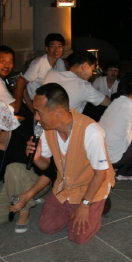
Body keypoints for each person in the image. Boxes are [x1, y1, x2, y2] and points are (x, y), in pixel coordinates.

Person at [27, 83, 115, 244]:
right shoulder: (45, 128)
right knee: (46, 226)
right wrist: (36, 157)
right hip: (65, 185)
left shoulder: (91, 131)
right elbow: (45, 165)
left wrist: (85, 205)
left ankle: (99, 203)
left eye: (39, 112)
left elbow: (100, 173)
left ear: (58, 112)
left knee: (78, 237)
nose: (36, 118)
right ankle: (74, 206)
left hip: (92, 185)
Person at [0, 98, 55, 233]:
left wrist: (28, 194)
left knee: (13, 168)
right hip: (8, 183)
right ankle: (21, 198)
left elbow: (50, 172)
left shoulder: (23, 135)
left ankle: (24, 210)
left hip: (36, 181)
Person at [42, 50, 111, 121]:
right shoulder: (84, 86)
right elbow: (108, 102)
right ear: (85, 66)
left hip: (42, 124)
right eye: (92, 70)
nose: (91, 75)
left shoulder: (50, 74)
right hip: (62, 127)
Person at [18, 33, 67, 112]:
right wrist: (30, 105)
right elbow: (21, 83)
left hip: (48, 103)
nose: (56, 50)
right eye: (53, 46)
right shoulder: (39, 63)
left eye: (59, 46)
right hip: (32, 103)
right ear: (47, 48)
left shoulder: (60, 62)